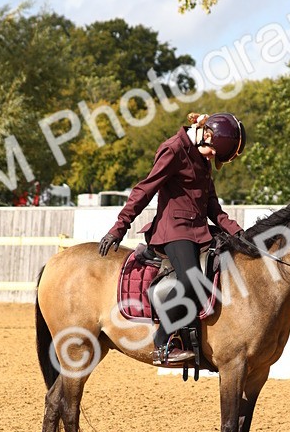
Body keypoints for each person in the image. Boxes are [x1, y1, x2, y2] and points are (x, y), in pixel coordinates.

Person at [98, 112, 246, 366]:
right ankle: (162, 341)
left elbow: (212, 205)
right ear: (206, 134)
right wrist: (119, 227)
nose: (211, 157)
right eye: (212, 152)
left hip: (201, 231)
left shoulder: (202, 155)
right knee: (192, 280)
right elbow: (145, 189)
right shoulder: (174, 149)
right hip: (174, 230)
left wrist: (239, 233)